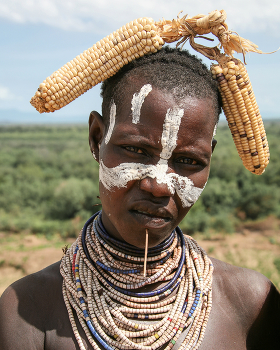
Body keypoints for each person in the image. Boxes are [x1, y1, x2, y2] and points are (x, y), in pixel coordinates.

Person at [0, 47, 279, 350]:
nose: (159, 186)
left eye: (189, 161)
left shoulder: (252, 303)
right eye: (135, 150)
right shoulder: (27, 311)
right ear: (97, 139)